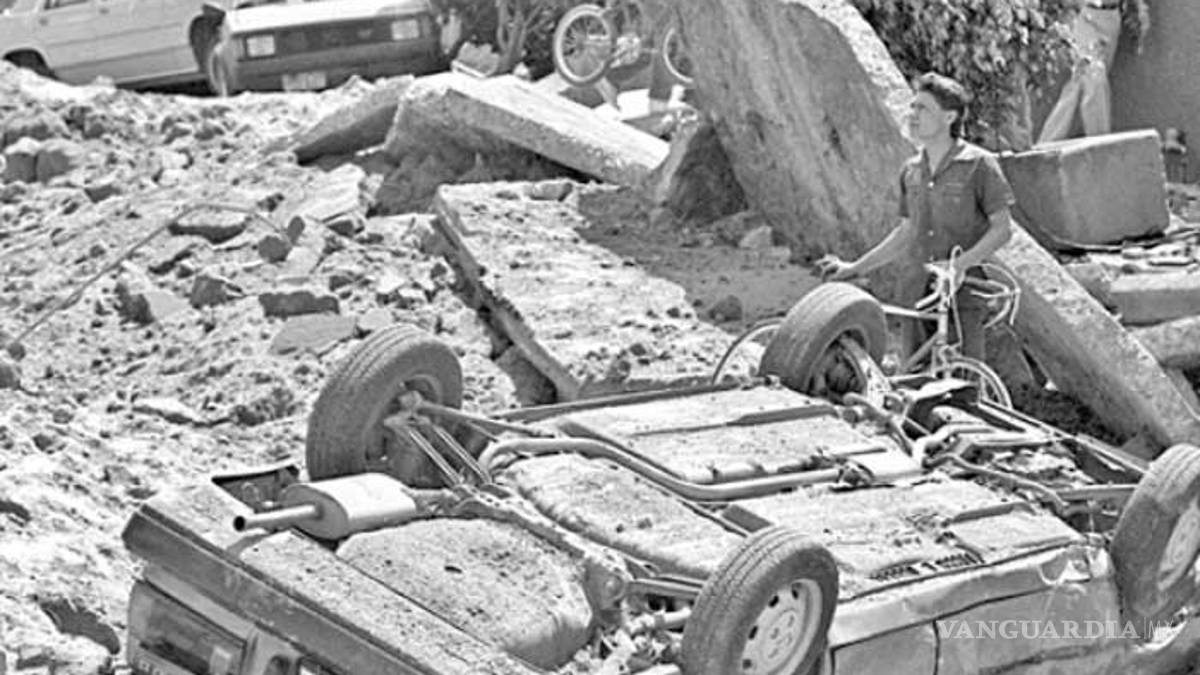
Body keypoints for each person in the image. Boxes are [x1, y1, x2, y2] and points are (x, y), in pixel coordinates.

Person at [816, 73, 1015, 362]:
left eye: (924, 108)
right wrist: (855, 268)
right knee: (915, 374)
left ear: (949, 117)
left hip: (961, 294)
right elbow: (905, 233)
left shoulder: (979, 164)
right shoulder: (911, 171)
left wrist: (958, 266)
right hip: (916, 291)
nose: (913, 115)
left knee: (963, 376)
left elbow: (1002, 229)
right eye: (913, 107)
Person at [1037, 0, 1150, 143]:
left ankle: (1047, 142)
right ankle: (1100, 142)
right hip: (1086, 15)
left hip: (1111, 17)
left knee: (1079, 84)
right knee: (1095, 74)